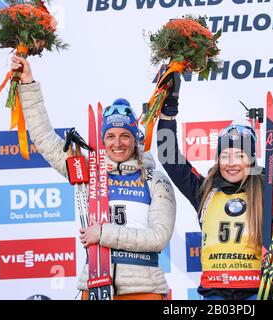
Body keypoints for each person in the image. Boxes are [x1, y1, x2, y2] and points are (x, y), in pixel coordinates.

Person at [11, 55, 176, 300]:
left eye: (125, 136)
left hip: (144, 289)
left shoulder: (155, 180)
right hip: (96, 286)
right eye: (110, 136)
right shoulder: (91, 173)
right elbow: (45, 139)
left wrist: (104, 233)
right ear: (102, 140)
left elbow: (158, 237)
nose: (118, 144)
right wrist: (27, 84)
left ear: (135, 138)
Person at [156, 73, 273, 300]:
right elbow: (167, 155)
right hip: (214, 293)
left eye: (239, 155)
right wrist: (169, 109)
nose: (231, 163)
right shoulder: (205, 190)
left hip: (256, 292)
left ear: (251, 160)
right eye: (225, 156)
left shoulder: (267, 193)